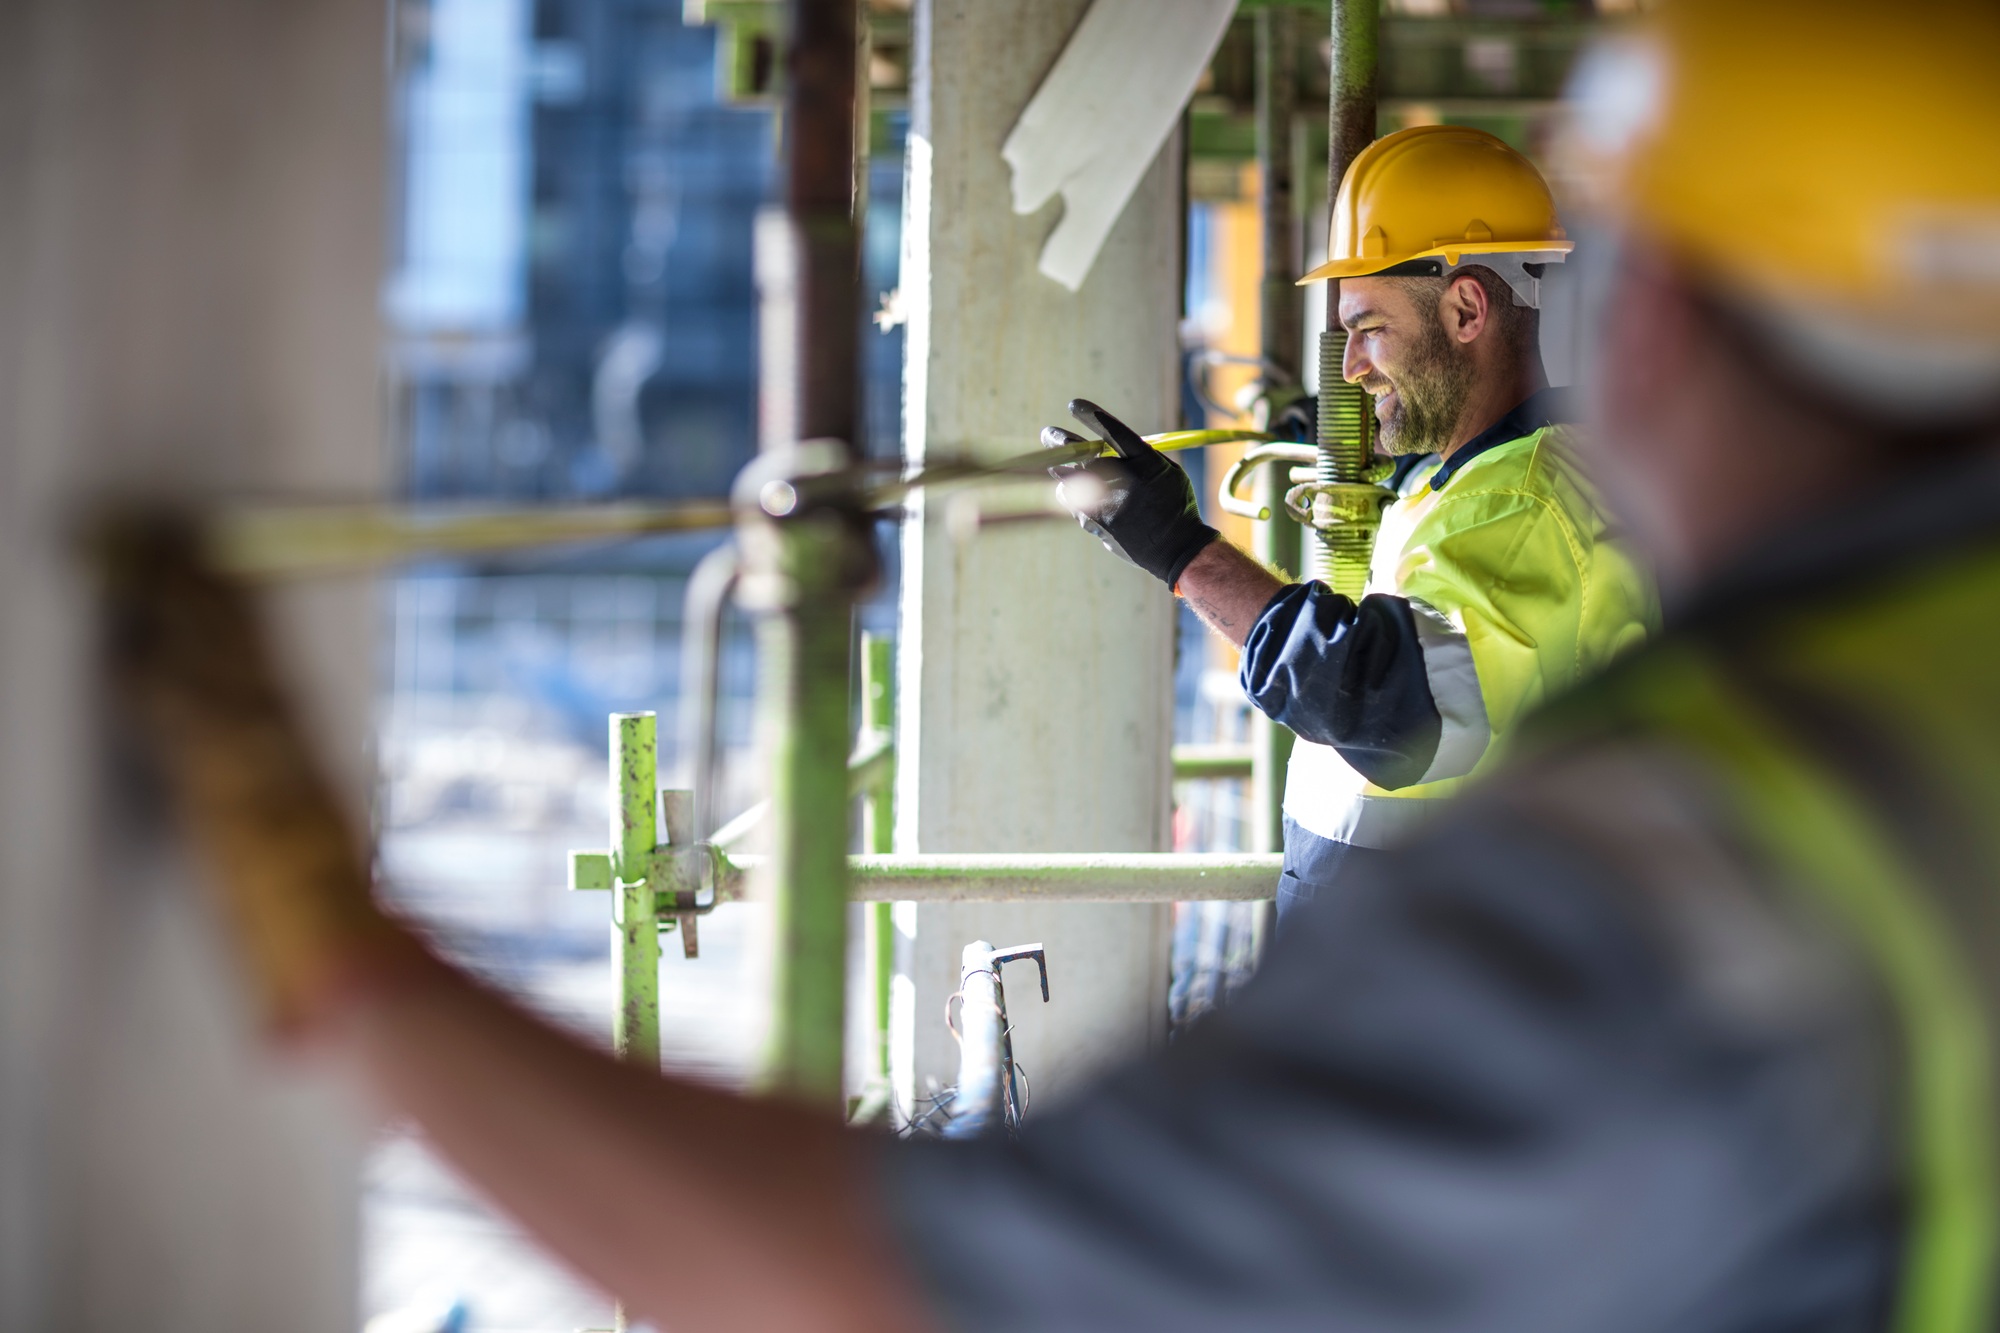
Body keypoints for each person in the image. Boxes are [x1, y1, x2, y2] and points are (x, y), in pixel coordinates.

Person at [105, 0, 2000, 1328]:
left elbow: (964, 1280)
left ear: (1637, 309)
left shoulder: (1676, 900)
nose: (1342, 357)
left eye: (1366, 314)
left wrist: (350, 974)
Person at [1046, 125, 1655, 920]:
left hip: (1443, 974)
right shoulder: (1494, 475)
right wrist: (1371, 456)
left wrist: (1179, 550)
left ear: (1468, 308)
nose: (1350, 368)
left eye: (1369, 327)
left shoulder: (1517, 505)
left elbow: (1386, 701)